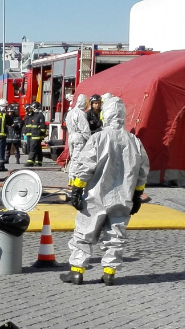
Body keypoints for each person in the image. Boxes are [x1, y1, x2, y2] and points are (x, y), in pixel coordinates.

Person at [61, 95, 149, 286]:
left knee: (84, 232)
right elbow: (143, 171)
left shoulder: (98, 138)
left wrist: (77, 190)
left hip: (96, 196)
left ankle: (77, 272)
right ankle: (109, 273)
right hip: (122, 198)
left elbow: (85, 166)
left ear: (105, 115)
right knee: (116, 235)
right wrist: (137, 195)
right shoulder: (134, 141)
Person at [64, 94, 91, 167]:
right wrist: (90, 140)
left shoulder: (70, 112)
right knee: (77, 159)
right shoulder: (81, 114)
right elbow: (85, 128)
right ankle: (74, 173)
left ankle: (70, 171)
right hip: (79, 138)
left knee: (72, 156)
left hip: (71, 136)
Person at [22, 101, 47, 167]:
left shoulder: (40, 115)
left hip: (36, 135)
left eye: (33, 108)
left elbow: (42, 126)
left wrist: (40, 133)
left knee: (33, 148)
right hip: (33, 135)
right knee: (37, 149)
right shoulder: (34, 115)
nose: (32, 109)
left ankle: (30, 162)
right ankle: (38, 162)